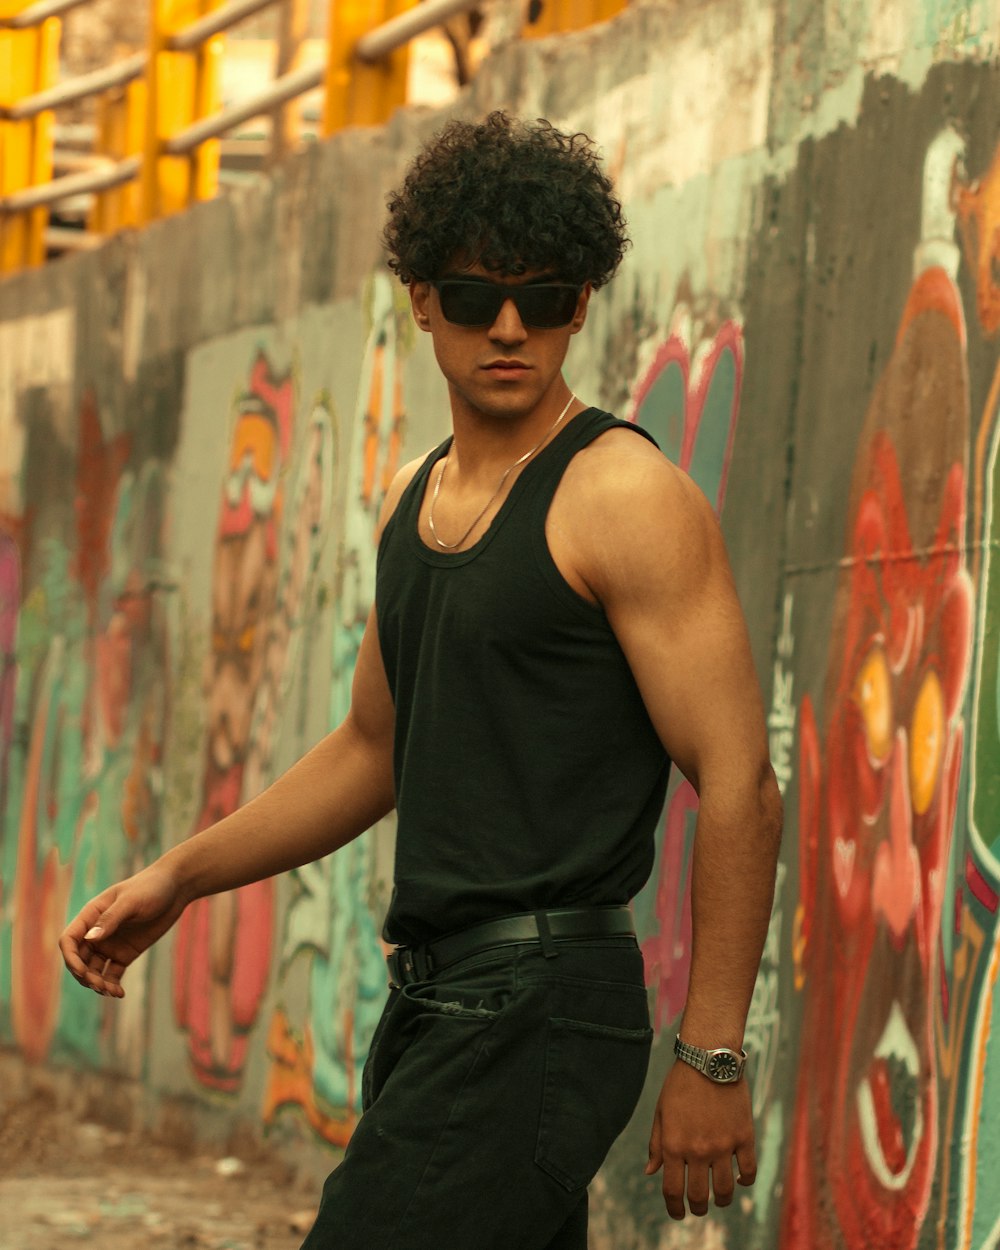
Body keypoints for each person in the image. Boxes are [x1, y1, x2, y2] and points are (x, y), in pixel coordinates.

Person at [60, 111, 783, 1249]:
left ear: (581, 301)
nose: (509, 327)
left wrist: (713, 1050)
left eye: (544, 297)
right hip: (436, 1002)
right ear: (421, 298)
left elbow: (738, 777)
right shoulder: (411, 497)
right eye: (473, 293)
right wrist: (180, 877)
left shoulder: (619, 496)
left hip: (540, 1005)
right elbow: (369, 749)